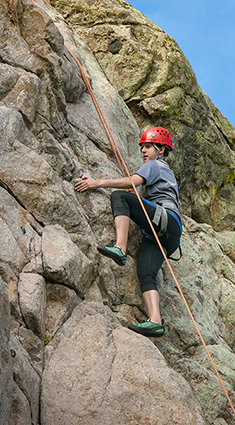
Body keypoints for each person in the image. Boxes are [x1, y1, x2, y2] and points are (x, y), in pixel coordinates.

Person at [75, 127, 181, 337]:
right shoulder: (162, 170)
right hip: (167, 234)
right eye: (142, 147)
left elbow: (133, 181)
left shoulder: (154, 164)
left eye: (148, 147)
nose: (143, 151)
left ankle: (120, 248)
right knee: (146, 272)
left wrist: (98, 183)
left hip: (164, 219)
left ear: (160, 149)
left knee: (120, 197)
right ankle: (156, 321)